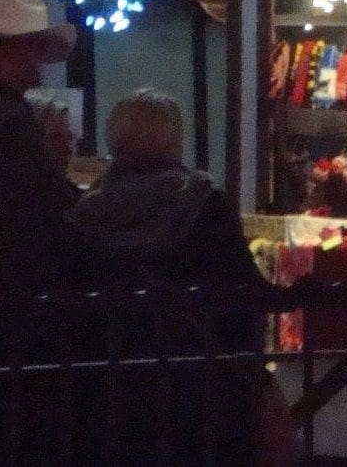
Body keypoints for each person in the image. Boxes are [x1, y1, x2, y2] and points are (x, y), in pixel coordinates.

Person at [68, 88, 278, 461]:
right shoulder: (201, 201)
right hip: (195, 376)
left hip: (111, 377)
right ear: (173, 140)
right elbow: (239, 290)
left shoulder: (87, 211)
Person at [0, 0, 85, 289]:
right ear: (12, 47)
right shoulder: (7, 118)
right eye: (36, 46)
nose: (39, 61)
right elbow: (33, 224)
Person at [25, 90, 81, 206]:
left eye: (69, 136)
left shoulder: (67, 191)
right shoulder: (28, 199)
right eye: (56, 137)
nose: (67, 147)